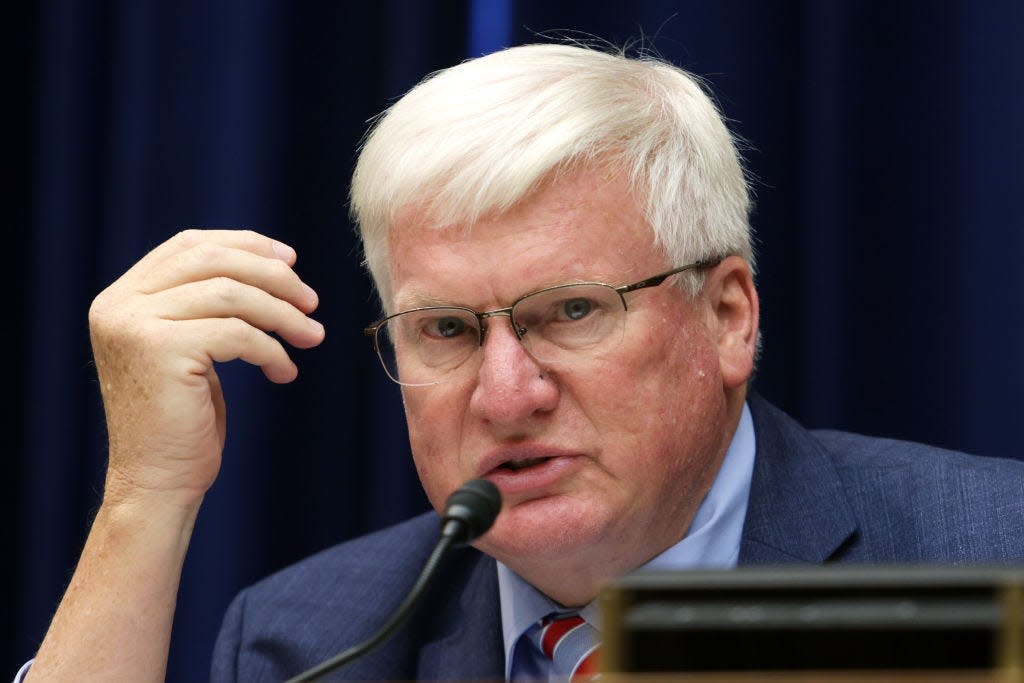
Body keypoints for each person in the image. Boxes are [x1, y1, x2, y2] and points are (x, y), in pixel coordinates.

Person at [22, 43, 1024, 682]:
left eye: (572, 310)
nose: (506, 394)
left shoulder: (987, 560)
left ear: (727, 317)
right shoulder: (309, 642)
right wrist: (145, 497)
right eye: (446, 330)